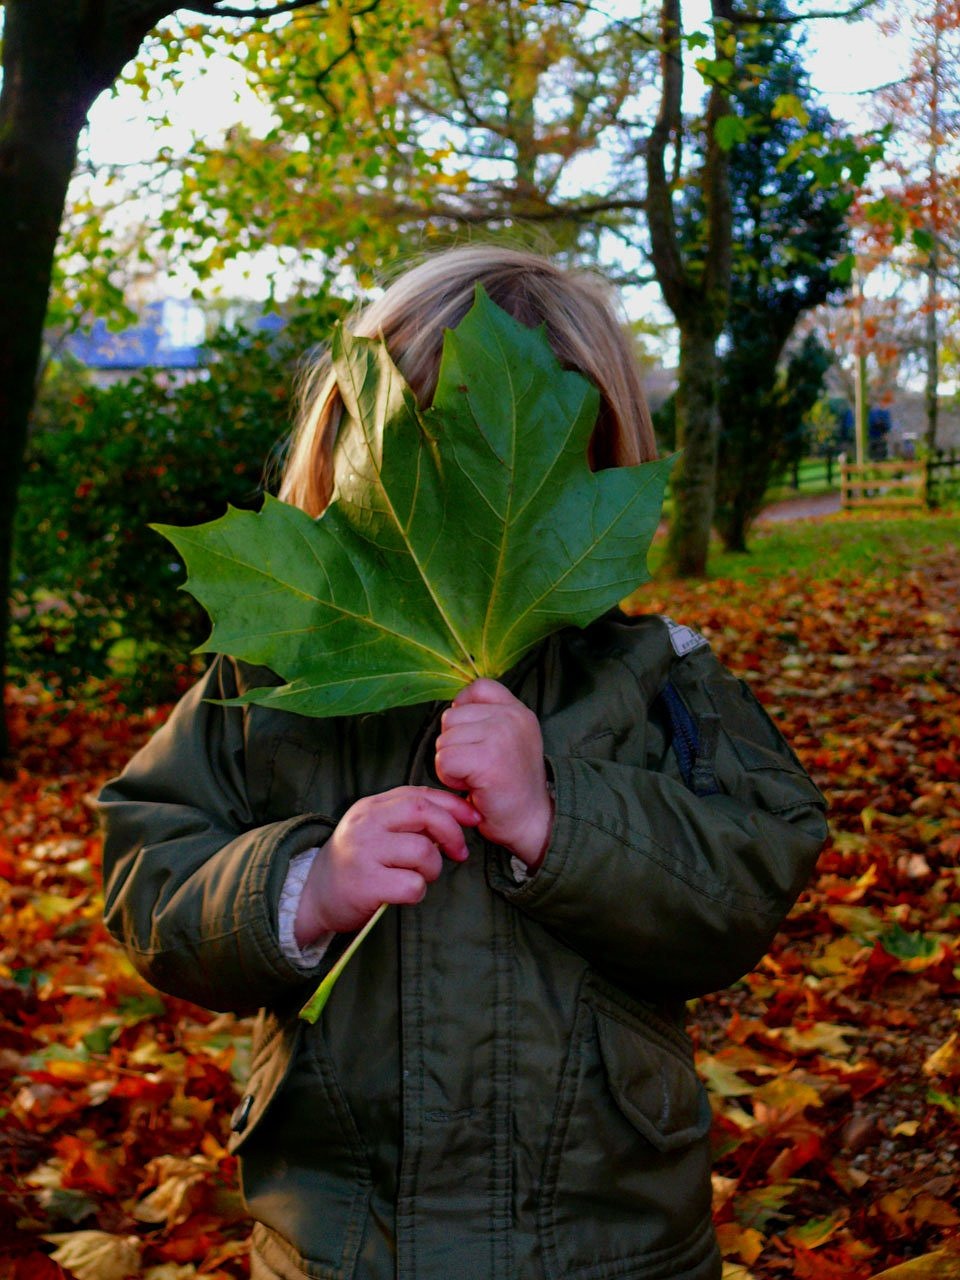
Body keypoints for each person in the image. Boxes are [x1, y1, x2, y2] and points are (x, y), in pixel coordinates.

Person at [99, 246, 828, 1280]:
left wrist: (558, 814)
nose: (471, 513)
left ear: (603, 475)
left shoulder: (652, 675)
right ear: (349, 461)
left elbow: (751, 873)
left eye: (530, 471)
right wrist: (304, 882)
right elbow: (146, 860)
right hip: (341, 1247)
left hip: (608, 1247)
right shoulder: (275, 674)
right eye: (422, 466)